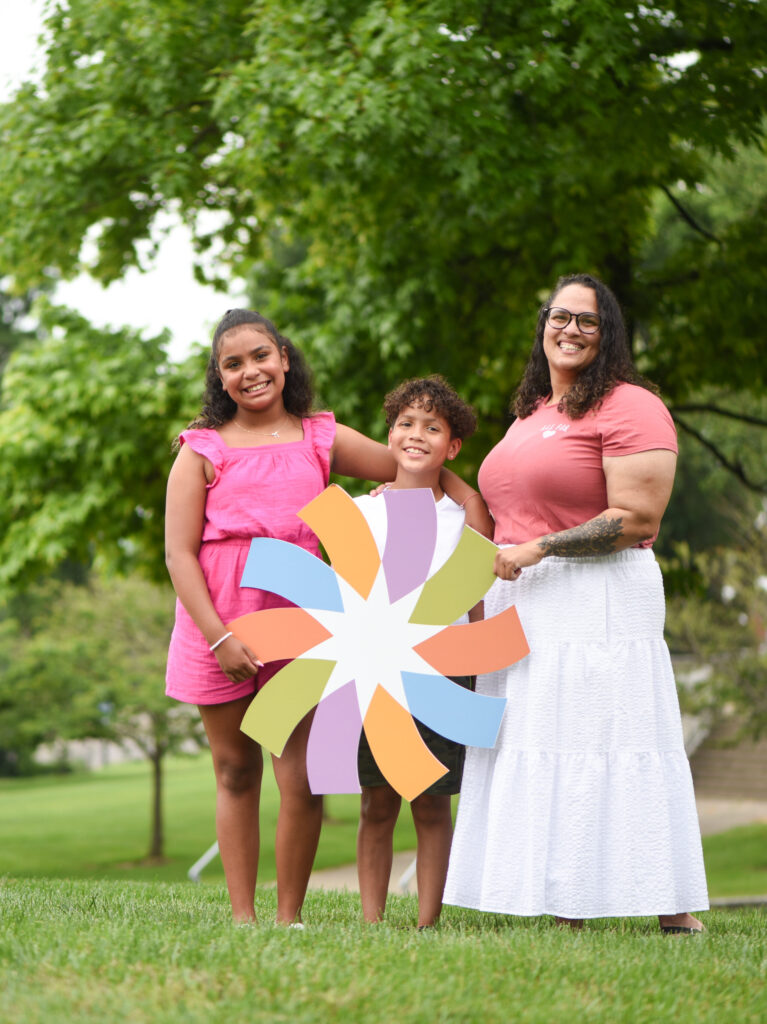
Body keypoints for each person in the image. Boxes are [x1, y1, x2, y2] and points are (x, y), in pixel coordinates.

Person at [165, 310, 492, 924]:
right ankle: (244, 915)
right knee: (235, 770)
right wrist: (219, 637)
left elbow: (408, 464)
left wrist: (466, 493)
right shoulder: (200, 448)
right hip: (220, 621)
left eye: (260, 355)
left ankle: (289, 915)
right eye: (232, 364)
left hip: (301, 617)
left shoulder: (321, 436)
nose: (249, 371)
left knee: (300, 777)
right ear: (219, 377)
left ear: (283, 358)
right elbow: (178, 553)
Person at [443, 274, 709, 933]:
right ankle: (563, 902)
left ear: (607, 334)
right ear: (543, 325)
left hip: (599, 599)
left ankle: (670, 909)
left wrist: (538, 550)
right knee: (539, 743)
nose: (569, 329)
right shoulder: (531, 412)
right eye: (559, 316)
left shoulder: (629, 406)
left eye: (586, 321)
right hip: (524, 603)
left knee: (608, 738)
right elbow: (501, 513)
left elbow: (633, 517)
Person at [354, 376, 482, 929]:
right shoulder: (361, 511)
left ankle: (428, 921)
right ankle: (372, 920)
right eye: (405, 423)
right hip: (376, 671)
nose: (416, 435)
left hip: (444, 673)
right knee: (376, 803)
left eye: (432, 428)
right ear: (388, 435)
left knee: (432, 803)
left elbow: (477, 603)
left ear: (452, 448)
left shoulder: (465, 516)